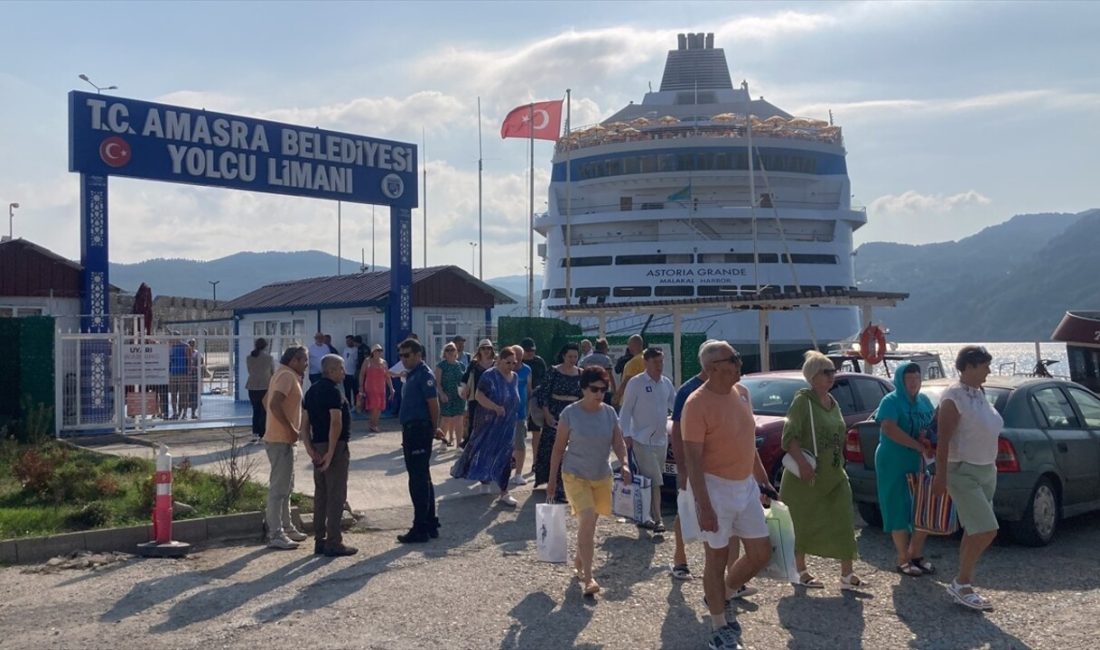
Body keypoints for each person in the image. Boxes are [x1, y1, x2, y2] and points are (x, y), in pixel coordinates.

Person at [682, 341, 773, 650]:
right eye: (732, 359)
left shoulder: (743, 394)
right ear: (712, 369)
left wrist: (763, 481)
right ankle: (719, 625)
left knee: (762, 553)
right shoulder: (696, 404)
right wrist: (703, 505)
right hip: (714, 487)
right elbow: (693, 460)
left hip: (744, 485)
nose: (738, 363)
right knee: (716, 558)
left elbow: (749, 444)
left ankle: (723, 592)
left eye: (737, 357)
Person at [779, 350, 863, 590]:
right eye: (826, 372)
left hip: (834, 473)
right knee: (802, 522)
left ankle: (847, 573)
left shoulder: (833, 402)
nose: (832, 376)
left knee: (844, 519)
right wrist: (803, 465)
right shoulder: (802, 401)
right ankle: (800, 569)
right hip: (806, 476)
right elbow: (789, 436)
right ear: (813, 376)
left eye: (832, 371)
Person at [546, 365, 631, 597]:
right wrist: (551, 480)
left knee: (589, 526)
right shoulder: (570, 414)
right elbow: (558, 449)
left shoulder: (609, 413)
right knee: (586, 519)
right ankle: (589, 577)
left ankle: (580, 559)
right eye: (594, 389)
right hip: (574, 475)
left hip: (601, 476)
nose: (599, 394)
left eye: (603, 390)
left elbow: (619, 442)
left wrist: (624, 463)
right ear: (583, 389)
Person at [933, 345, 1001, 611]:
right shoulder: (953, 396)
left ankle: (963, 583)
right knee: (987, 529)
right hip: (962, 470)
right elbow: (943, 441)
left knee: (975, 529)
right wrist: (940, 476)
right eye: (984, 366)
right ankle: (962, 583)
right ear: (970, 367)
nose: (988, 371)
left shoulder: (979, 392)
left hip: (986, 469)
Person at [874, 361, 936, 577]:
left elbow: (932, 425)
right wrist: (917, 445)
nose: (913, 383)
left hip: (919, 462)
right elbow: (889, 428)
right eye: (908, 379)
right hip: (893, 460)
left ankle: (916, 554)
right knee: (898, 507)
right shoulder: (890, 401)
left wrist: (930, 443)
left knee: (924, 508)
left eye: (917, 378)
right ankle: (902, 558)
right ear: (900, 380)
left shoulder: (925, 401)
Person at [301, 354, 357, 557]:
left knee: (321, 494)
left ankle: (320, 540)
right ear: (331, 370)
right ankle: (333, 542)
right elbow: (336, 423)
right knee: (336, 495)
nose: (344, 372)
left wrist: (310, 449)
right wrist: (331, 453)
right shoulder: (333, 391)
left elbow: (304, 424)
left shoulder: (311, 391)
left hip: (317, 445)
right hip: (335, 446)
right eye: (341, 368)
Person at [451, 346, 521, 507]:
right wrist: (495, 407)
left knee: (505, 456)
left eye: (513, 363)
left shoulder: (515, 377)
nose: (511, 366)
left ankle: (504, 491)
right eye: (507, 362)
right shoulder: (489, 375)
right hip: (488, 422)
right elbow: (478, 396)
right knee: (485, 451)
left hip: (507, 424)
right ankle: (485, 480)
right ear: (499, 360)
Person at [619, 347, 675, 531]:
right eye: (656, 362)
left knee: (649, 480)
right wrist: (626, 434)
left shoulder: (666, 383)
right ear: (646, 362)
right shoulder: (636, 383)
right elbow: (626, 410)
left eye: (661, 361)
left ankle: (644, 515)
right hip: (641, 439)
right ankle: (658, 519)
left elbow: (674, 405)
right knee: (655, 479)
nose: (660, 365)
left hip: (661, 439)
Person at [396, 338, 443, 543]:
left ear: (418, 354)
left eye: (407, 355)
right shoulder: (412, 375)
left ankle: (420, 527)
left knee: (418, 479)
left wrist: (434, 428)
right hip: (411, 429)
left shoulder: (424, 375)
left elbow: (433, 404)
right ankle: (430, 522)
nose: (403, 359)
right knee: (423, 477)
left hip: (419, 430)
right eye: (401, 356)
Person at [263, 345, 310, 550]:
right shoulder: (287, 376)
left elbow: (266, 401)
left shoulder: (283, 374)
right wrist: (290, 428)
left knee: (287, 487)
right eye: (304, 360)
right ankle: (275, 533)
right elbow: (273, 404)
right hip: (281, 439)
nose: (307, 364)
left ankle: (287, 526)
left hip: (283, 438)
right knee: (278, 489)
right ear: (294, 361)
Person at [534, 343, 583, 500]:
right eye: (570, 356)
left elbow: (583, 397)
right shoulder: (554, 371)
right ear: (563, 356)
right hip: (555, 413)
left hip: (574, 415)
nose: (573, 360)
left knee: (572, 450)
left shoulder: (581, 373)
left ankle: (568, 484)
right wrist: (547, 413)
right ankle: (554, 483)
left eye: (575, 357)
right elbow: (544, 393)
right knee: (554, 449)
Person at [460, 340, 496, 448]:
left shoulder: (496, 364)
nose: (486, 350)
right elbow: (464, 379)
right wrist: (465, 387)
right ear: (479, 350)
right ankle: (471, 448)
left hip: (492, 399)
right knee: (474, 424)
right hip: (475, 399)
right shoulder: (474, 364)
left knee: (490, 424)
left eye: (488, 348)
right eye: (483, 348)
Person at [510, 344, 534, 486]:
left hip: (520, 414)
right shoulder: (503, 369)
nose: (517, 360)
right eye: (515, 356)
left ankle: (518, 474)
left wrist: (528, 412)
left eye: (520, 357)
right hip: (504, 414)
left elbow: (529, 391)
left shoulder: (527, 370)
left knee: (520, 444)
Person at [435, 342, 465, 447]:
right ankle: (444, 441)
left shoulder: (461, 365)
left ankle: (458, 445)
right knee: (446, 419)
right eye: (447, 350)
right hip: (446, 395)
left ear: (456, 351)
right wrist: (442, 393)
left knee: (459, 419)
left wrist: (465, 391)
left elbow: (464, 381)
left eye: (452, 349)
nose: (450, 352)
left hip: (459, 396)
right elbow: (437, 383)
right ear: (444, 353)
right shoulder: (441, 366)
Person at [521, 337, 548, 457]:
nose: (531, 353)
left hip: (536, 399)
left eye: (532, 350)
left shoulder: (539, 361)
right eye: (528, 351)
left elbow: (545, 379)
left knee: (536, 430)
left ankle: (536, 461)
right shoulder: (517, 363)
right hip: (520, 399)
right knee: (518, 432)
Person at [245, 338, 275, 443]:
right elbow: (273, 372)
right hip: (265, 386)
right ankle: (263, 434)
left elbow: (249, 370)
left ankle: (255, 433)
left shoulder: (249, 358)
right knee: (264, 411)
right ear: (265, 346)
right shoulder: (269, 358)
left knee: (256, 410)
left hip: (252, 386)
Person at [359, 344, 393, 433]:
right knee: (374, 406)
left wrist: (391, 388)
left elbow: (387, 376)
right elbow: (362, 374)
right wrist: (361, 387)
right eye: (377, 350)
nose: (379, 352)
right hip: (370, 387)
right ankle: (372, 424)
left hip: (381, 387)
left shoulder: (384, 362)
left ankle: (375, 424)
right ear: (373, 352)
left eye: (380, 351)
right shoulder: (367, 361)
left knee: (379, 407)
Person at [580, 338, 616, 403]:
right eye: (607, 349)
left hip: (588, 389)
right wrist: (614, 391)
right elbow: (609, 376)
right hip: (603, 391)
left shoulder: (585, 359)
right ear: (604, 348)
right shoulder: (606, 359)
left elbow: (581, 375)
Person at [614, 334, 646, 406]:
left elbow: (626, 382)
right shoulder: (647, 359)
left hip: (629, 401)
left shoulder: (633, 362)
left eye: (629, 345)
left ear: (633, 345)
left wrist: (617, 397)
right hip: (643, 398)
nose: (628, 347)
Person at [168, 337, 190, 419]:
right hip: (173, 374)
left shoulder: (186, 346)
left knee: (183, 395)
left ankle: (184, 413)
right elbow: (169, 360)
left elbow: (189, 359)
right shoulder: (171, 347)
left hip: (183, 374)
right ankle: (175, 413)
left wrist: (188, 372)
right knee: (173, 395)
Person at [342, 335, 360, 406]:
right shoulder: (345, 349)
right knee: (347, 391)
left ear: (353, 341)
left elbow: (357, 361)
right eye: (346, 341)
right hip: (346, 374)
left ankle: (356, 406)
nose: (347, 342)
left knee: (356, 391)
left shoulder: (356, 349)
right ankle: (348, 405)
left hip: (354, 374)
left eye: (349, 340)